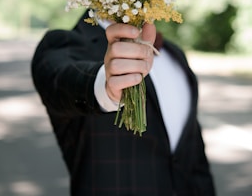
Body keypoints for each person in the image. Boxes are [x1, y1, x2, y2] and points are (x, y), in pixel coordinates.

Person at [31, 10, 216, 196]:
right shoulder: (62, 45)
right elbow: (62, 82)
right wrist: (106, 86)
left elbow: (194, 158)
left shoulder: (174, 55)